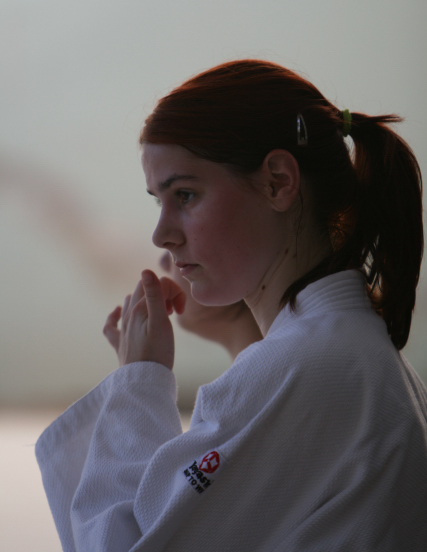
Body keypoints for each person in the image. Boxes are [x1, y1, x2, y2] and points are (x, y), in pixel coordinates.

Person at [36, 59, 427, 551]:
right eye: (159, 200)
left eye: (185, 194)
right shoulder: (346, 354)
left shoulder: (303, 367)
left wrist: (139, 381)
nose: (161, 234)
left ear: (278, 182)